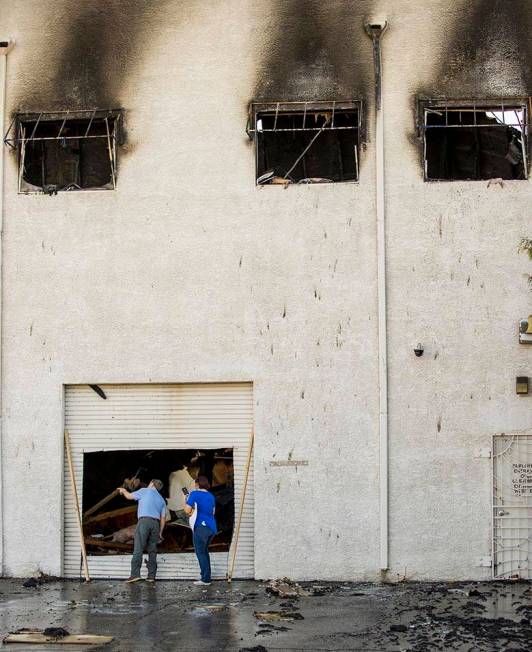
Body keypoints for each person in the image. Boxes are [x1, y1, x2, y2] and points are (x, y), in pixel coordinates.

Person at [118, 479, 167, 583]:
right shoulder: (161, 500)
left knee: (138, 548)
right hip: (156, 524)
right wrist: (160, 532)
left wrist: (123, 491)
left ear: (151, 483)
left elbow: (129, 496)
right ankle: (151, 576)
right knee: (152, 550)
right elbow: (163, 519)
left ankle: (135, 574)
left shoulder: (144, 491)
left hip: (144, 521)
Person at [184, 475, 217, 585]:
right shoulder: (211, 496)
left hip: (201, 527)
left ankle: (205, 579)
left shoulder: (194, 494)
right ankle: (206, 577)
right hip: (211, 527)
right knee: (204, 552)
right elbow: (213, 512)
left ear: (197, 484)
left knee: (200, 553)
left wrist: (186, 501)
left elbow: (187, 511)